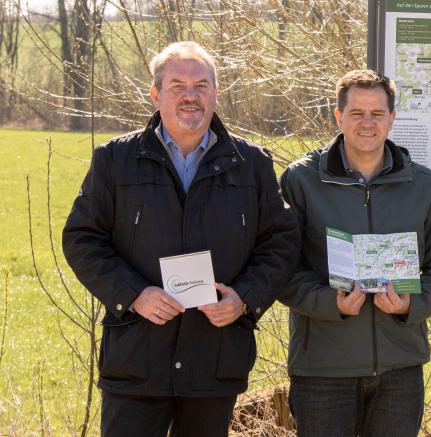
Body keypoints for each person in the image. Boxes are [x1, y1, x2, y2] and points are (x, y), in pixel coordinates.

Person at [61, 41, 299, 436]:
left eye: (201, 85)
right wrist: (134, 294)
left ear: (215, 93)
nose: (190, 95)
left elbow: (281, 242)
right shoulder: (115, 159)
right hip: (137, 357)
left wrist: (243, 299)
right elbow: (82, 238)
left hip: (214, 357)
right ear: (156, 95)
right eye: (177, 86)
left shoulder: (251, 163)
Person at [277, 69, 431, 437]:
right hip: (323, 368)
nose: (367, 123)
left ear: (392, 118)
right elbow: (280, 265)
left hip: (399, 368)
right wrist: (331, 303)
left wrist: (411, 304)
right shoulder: (301, 180)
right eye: (357, 113)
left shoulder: (424, 185)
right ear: (338, 116)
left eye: (377, 113)